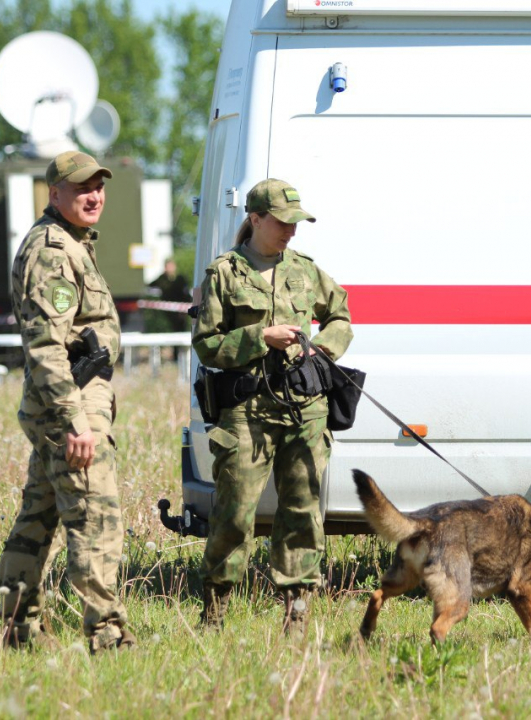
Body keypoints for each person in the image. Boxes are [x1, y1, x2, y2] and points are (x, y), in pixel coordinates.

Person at [192, 178, 353, 638]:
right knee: (234, 514)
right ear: (256, 219)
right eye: (282, 223)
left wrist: (320, 350)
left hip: (304, 409)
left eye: (296, 224)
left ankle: (297, 615)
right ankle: (215, 613)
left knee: (302, 511)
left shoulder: (305, 270)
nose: (291, 232)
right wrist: (260, 337)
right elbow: (206, 344)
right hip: (246, 411)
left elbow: (341, 315)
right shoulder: (225, 273)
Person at [0, 150, 135, 653]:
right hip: (69, 409)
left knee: (37, 518)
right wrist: (76, 421)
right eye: (81, 188)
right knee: (95, 517)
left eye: (98, 186)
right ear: (53, 194)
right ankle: (108, 635)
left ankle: (16, 630)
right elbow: (46, 347)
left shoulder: (72, 242)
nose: (94, 195)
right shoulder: (54, 251)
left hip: (65, 406)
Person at [148, 259, 190, 332]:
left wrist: (184, 311)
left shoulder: (180, 279)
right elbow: (150, 285)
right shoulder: (162, 279)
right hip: (167, 311)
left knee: (180, 329)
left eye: (171, 266)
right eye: (168, 266)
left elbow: (185, 294)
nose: (169, 268)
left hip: (180, 310)